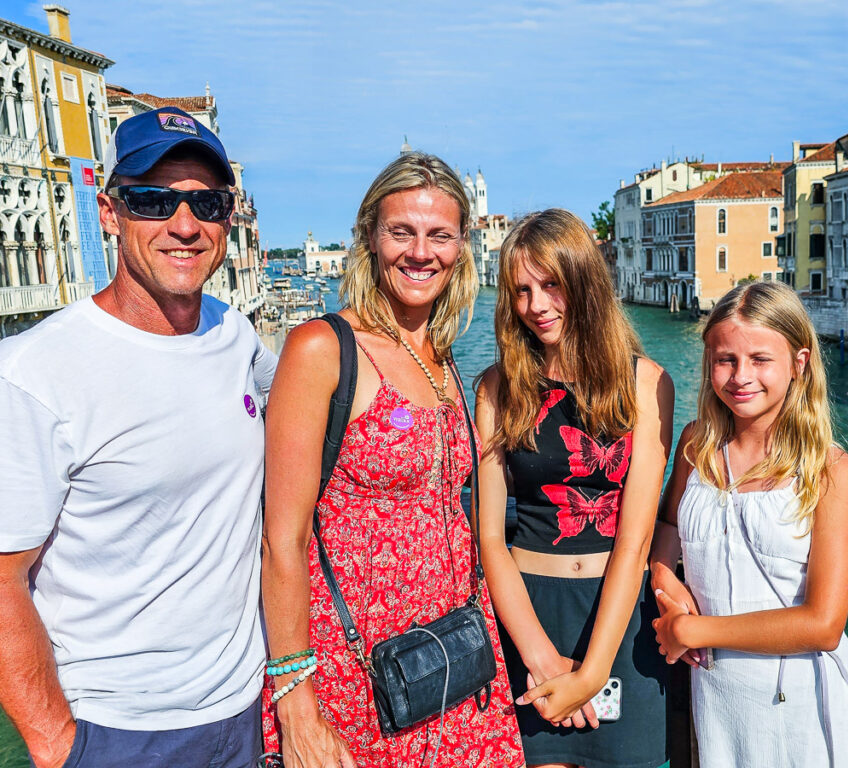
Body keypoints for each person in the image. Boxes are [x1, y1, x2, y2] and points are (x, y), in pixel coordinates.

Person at [0, 106, 276, 768]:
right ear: (110, 212)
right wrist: (56, 744)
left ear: (227, 217)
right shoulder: (33, 372)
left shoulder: (234, 335)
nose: (185, 226)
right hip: (115, 730)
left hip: (243, 709)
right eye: (155, 201)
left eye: (205, 204)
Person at [260, 152, 524, 767]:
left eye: (440, 235)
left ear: (463, 244)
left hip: (455, 659)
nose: (420, 252)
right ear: (369, 239)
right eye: (401, 231)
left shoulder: (443, 352)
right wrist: (296, 701)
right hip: (355, 667)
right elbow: (283, 538)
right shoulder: (323, 348)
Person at [475, 209, 674, 768]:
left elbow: (635, 543)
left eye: (551, 284)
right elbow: (490, 536)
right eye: (521, 290)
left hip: (619, 621)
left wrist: (591, 673)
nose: (536, 305)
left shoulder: (648, 383)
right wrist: (541, 658)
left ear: (584, 281)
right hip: (528, 617)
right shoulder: (496, 388)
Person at [649, 281, 848, 767]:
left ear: (800, 362)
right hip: (718, 701)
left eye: (760, 359)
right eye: (725, 359)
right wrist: (662, 575)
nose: (740, 377)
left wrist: (694, 630)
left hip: (800, 712)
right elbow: (667, 526)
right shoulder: (696, 445)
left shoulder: (829, 470)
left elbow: (823, 625)